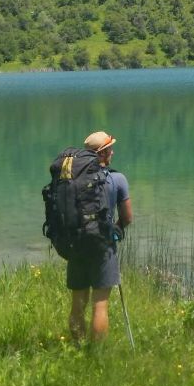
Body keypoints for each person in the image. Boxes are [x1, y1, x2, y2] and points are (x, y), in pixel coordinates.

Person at [67, 130, 133, 343]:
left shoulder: (72, 179)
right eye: (109, 149)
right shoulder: (117, 179)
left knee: (78, 303)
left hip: (76, 244)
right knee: (100, 304)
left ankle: (76, 348)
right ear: (102, 153)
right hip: (103, 246)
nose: (112, 152)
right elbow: (127, 218)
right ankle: (97, 356)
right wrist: (115, 229)